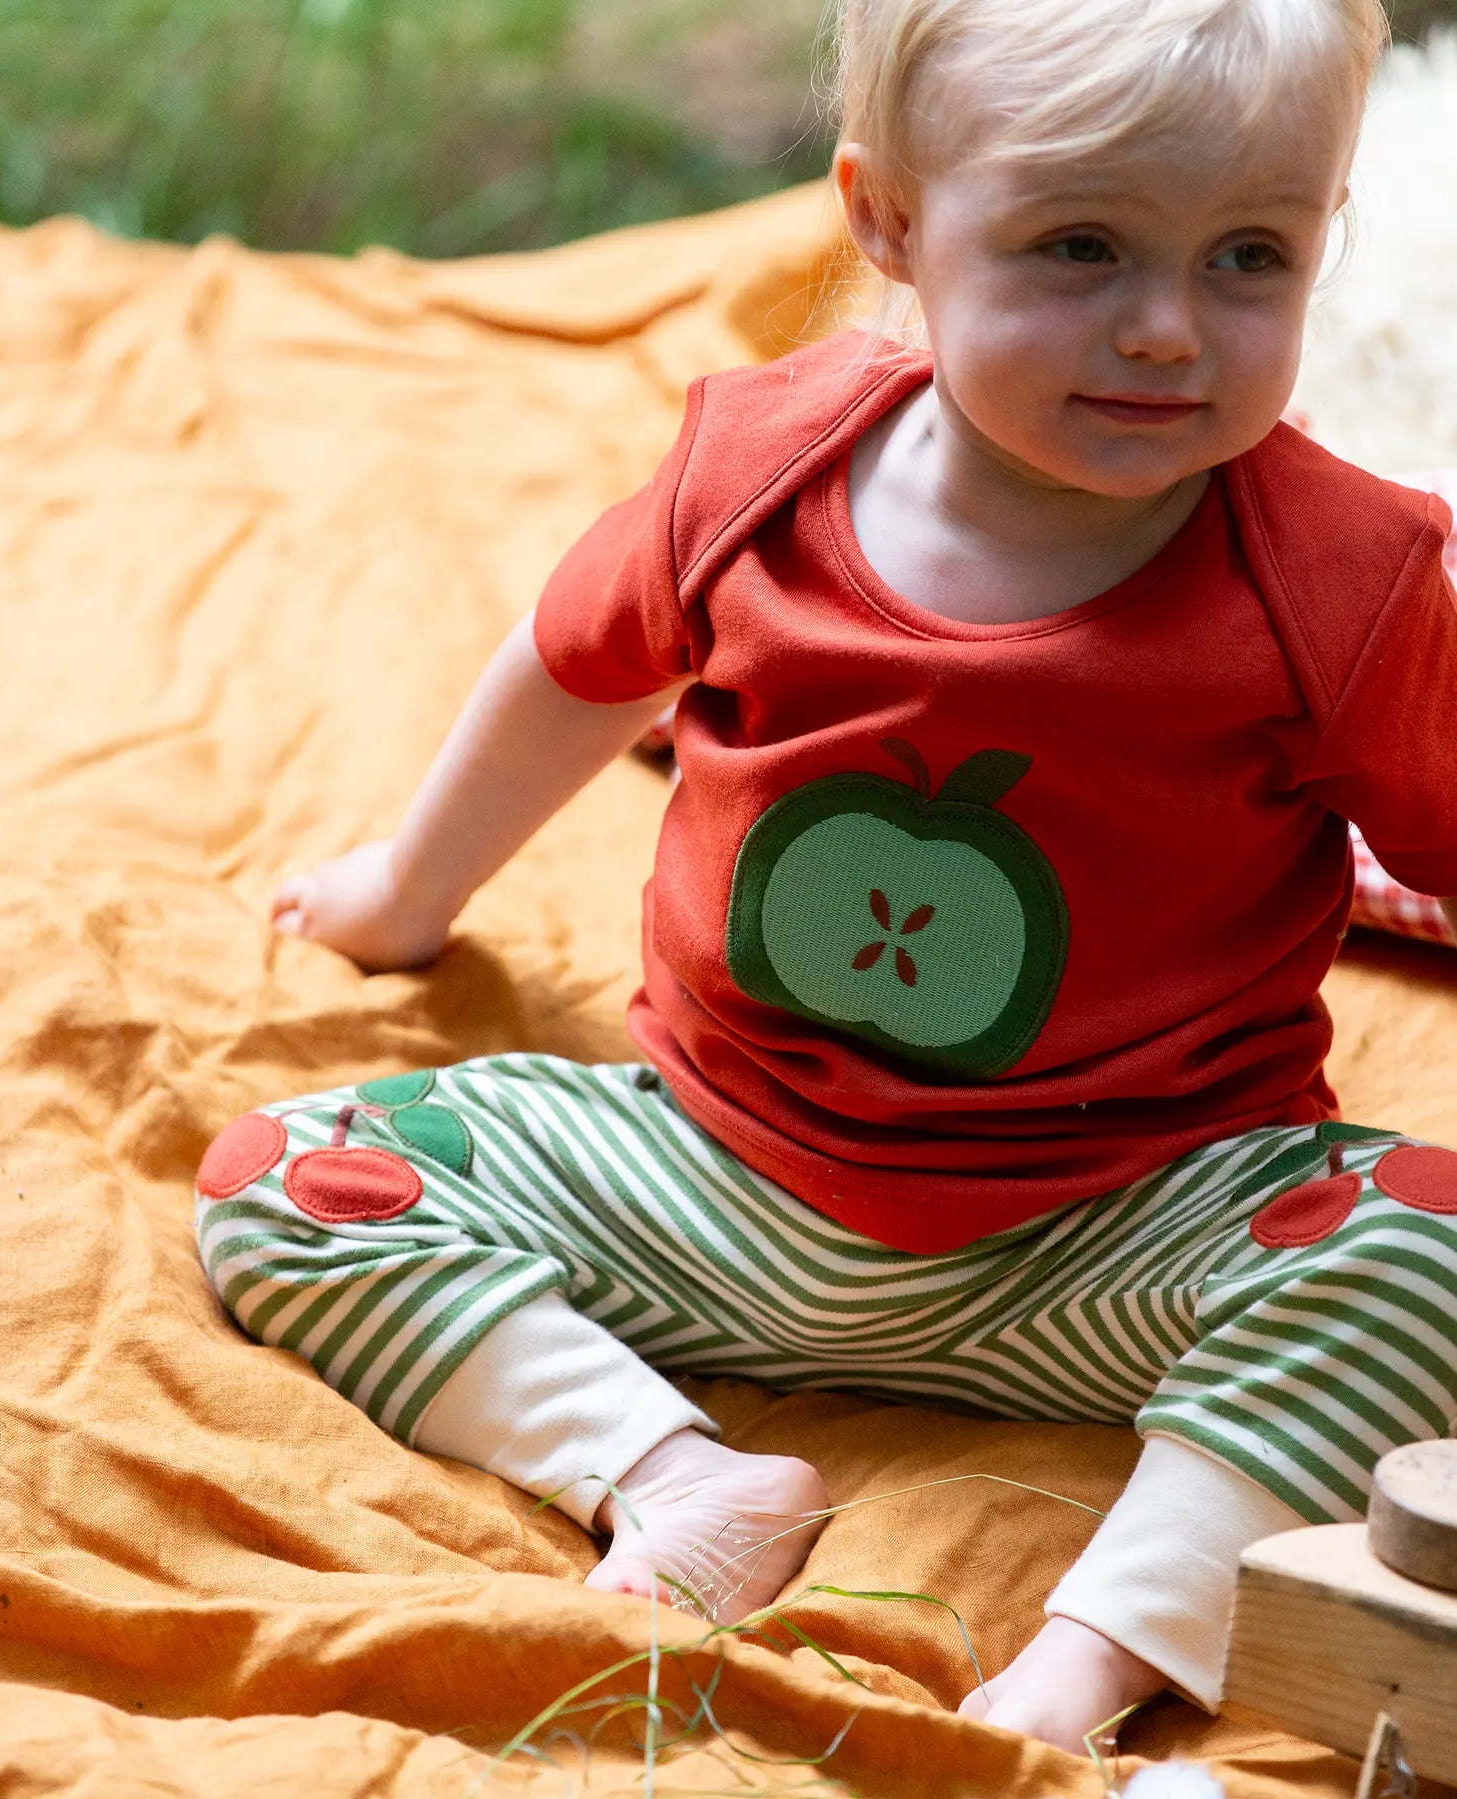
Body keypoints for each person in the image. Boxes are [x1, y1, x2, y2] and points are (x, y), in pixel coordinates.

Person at [195, 0, 1457, 1754]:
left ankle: (1093, 1655)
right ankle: (674, 1475)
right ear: (889, 220)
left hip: (1123, 1229)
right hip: (710, 1176)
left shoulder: (1347, 578)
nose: (1168, 328)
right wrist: (407, 887)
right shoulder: (752, 476)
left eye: (1251, 255)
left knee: (1428, 1245)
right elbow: (576, 667)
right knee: (286, 1180)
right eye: (1080, 247)